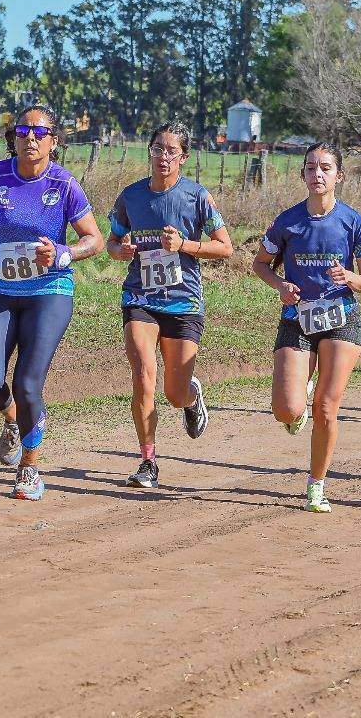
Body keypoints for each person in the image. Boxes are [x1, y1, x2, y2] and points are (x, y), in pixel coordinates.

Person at [0, 104, 103, 501]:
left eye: (39, 133)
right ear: (13, 137)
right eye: (23, 130)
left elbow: (93, 238)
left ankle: (30, 466)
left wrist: (63, 253)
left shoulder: (64, 184)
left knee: (27, 383)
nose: (29, 137)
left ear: (53, 142)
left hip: (49, 293)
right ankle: (11, 418)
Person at [106, 121, 233, 489]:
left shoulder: (196, 197)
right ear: (149, 151)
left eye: (171, 151)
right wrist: (122, 250)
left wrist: (186, 246)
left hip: (183, 301)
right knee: (144, 374)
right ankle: (148, 462)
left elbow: (225, 247)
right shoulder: (130, 196)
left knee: (173, 393)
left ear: (184, 158)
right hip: (140, 297)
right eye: (158, 148)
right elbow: (112, 243)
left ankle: (191, 398)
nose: (163, 156)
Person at [253, 143, 361, 513]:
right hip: (298, 319)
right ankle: (297, 402)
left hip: (342, 318)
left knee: (326, 406)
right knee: (287, 410)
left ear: (338, 175)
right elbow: (261, 264)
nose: (317, 174)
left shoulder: (354, 221)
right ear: (303, 175)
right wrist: (280, 285)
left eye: (325, 168)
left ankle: (316, 485)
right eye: (311, 168)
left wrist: (350, 277)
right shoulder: (287, 221)